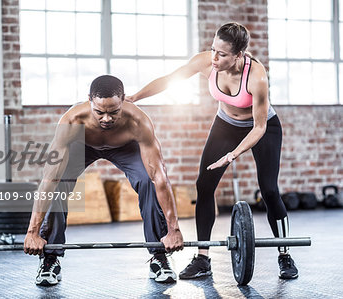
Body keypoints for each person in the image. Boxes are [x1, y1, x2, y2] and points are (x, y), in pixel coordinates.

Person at [126, 22, 298, 280]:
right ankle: (203, 259)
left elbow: (259, 127)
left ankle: (284, 254)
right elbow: (169, 79)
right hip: (225, 125)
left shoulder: (256, 76)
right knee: (204, 185)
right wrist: (135, 98)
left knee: (269, 190)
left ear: (239, 55)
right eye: (212, 49)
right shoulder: (207, 62)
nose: (214, 58)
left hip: (261, 127)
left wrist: (232, 155)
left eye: (222, 54)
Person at [23, 75, 184, 286]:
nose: (106, 119)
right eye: (99, 112)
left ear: (124, 100)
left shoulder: (139, 122)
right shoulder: (71, 121)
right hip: (82, 145)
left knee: (148, 181)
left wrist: (174, 230)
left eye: (114, 112)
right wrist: (32, 232)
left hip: (125, 147)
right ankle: (50, 258)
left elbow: (160, 178)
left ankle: (159, 255)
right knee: (58, 183)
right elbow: (49, 179)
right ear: (89, 99)